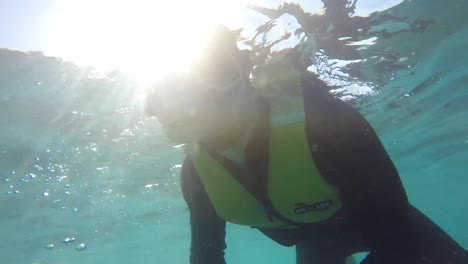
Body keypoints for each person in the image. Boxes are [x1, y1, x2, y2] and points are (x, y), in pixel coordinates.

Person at [146, 27, 467, 264]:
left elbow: (397, 229)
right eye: (177, 93)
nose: (204, 99)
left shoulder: (328, 123)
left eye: (218, 72)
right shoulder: (197, 174)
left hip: (392, 229)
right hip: (316, 242)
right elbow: (206, 255)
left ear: (247, 74)